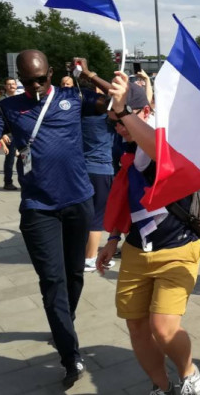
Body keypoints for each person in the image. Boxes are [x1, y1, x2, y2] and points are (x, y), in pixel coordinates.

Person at [0, 50, 111, 387]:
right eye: (28, 82)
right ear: (20, 79)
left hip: (78, 201)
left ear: (51, 73)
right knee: (52, 281)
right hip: (38, 208)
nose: (35, 86)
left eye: (41, 79)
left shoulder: (73, 98)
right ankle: (70, 355)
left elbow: (117, 101)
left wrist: (88, 74)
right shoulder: (9, 107)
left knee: (74, 274)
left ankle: (64, 321)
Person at [96, 72, 200, 395]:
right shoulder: (124, 143)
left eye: (120, 121)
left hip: (177, 247)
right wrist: (112, 238)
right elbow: (126, 195)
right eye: (113, 123)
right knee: (137, 325)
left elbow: (159, 154)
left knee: (163, 328)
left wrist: (123, 111)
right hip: (136, 248)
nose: (117, 128)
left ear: (143, 112)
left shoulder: (167, 138)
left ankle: (189, 374)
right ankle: (160, 385)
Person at [82, 86, 117, 273]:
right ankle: (90, 258)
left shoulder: (79, 119)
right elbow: (118, 99)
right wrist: (91, 75)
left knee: (85, 213)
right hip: (101, 170)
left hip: (82, 170)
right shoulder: (106, 121)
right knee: (97, 216)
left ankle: (82, 253)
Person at [0, 77, 20, 191]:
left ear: (16, 85)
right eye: (9, 84)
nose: (11, 86)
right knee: (10, 159)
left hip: (21, 133)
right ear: (5, 87)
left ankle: (27, 182)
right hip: (9, 134)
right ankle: (8, 182)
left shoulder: (20, 98)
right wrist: (3, 134)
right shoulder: (2, 101)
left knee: (26, 158)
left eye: (13, 84)